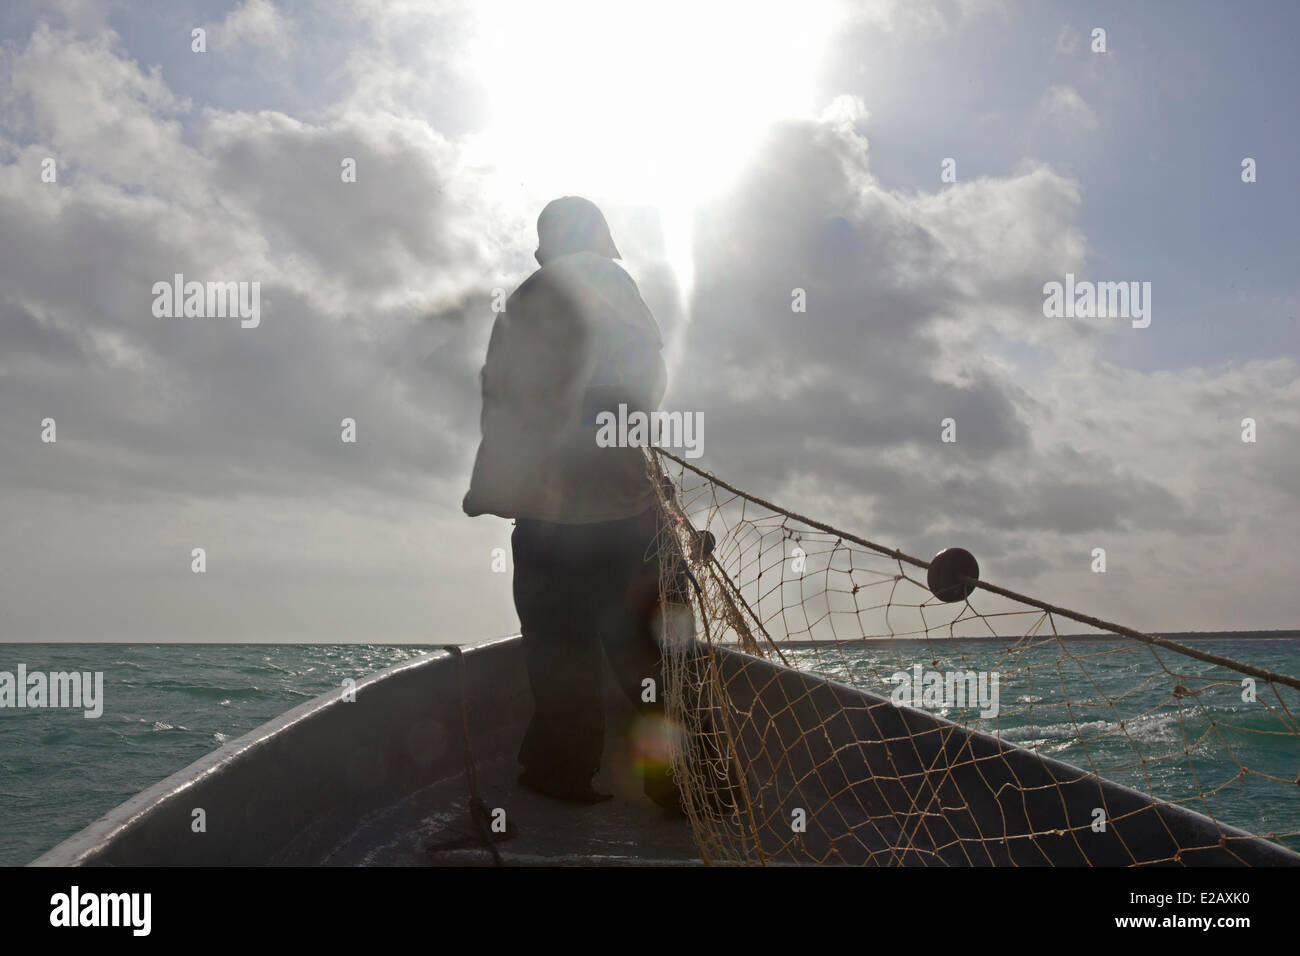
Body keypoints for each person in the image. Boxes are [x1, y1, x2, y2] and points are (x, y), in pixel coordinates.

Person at [463, 196, 686, 810]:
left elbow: (498, 399)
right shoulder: (610, 278)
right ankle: (680, 786)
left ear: (546, 246)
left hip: (543, 525)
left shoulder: (521, 301)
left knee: (559, 660)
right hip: (624, 518)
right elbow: (648, 379)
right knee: (656, 661)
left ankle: (560, 774)